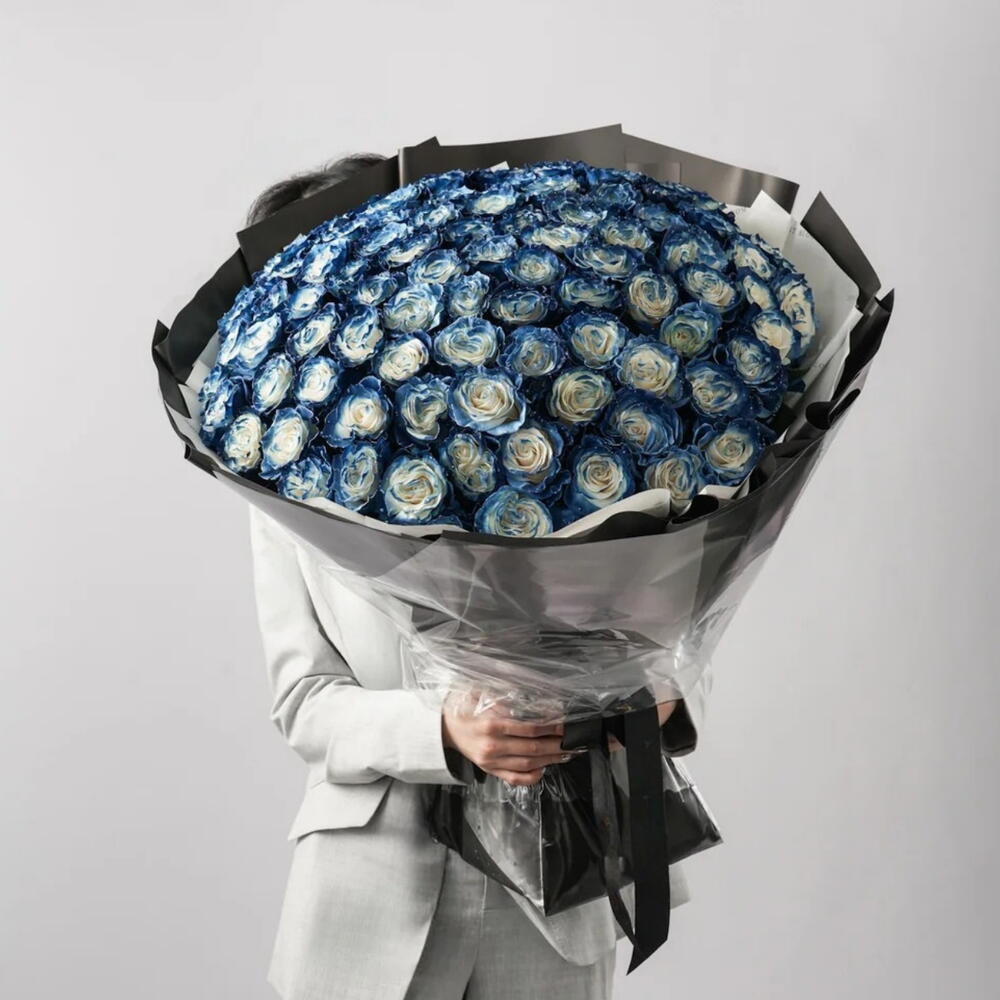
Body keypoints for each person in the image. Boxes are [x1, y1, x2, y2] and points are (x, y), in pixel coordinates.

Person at [246, 154, 714, 1000]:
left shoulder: (562, 429)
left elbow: (667, 628)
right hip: (369, 895)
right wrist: (442, 730)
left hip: (565, 879)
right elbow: (303, 701)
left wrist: (654, 700)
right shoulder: (280, 478)